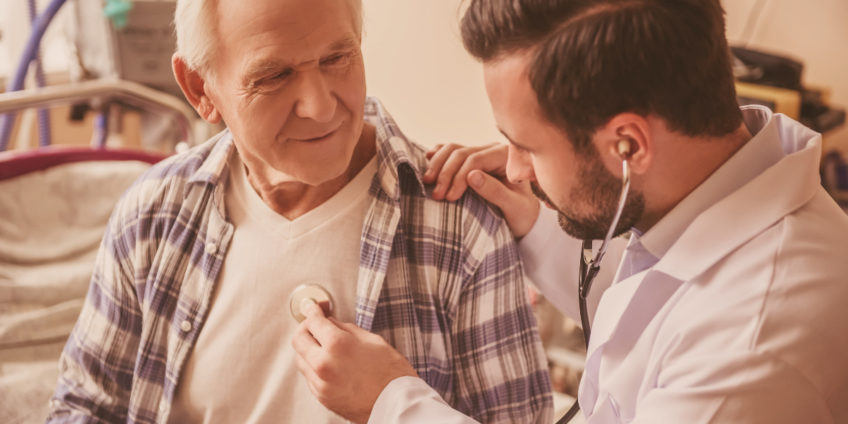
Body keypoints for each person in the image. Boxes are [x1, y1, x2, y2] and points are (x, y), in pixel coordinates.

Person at [291, 0, 848, 422]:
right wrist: (535, 222)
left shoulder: (751, 351)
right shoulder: (705, 193)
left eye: (527, 147)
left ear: (627, 145)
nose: (513, 169)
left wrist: (393, 402)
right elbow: (659, 308)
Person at [45, 0, 554, 422]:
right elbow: (86, 406)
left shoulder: (461, 226)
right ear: (200, 88)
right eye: (274, 75)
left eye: (338, 59)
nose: (319, 106)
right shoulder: (152, 216)